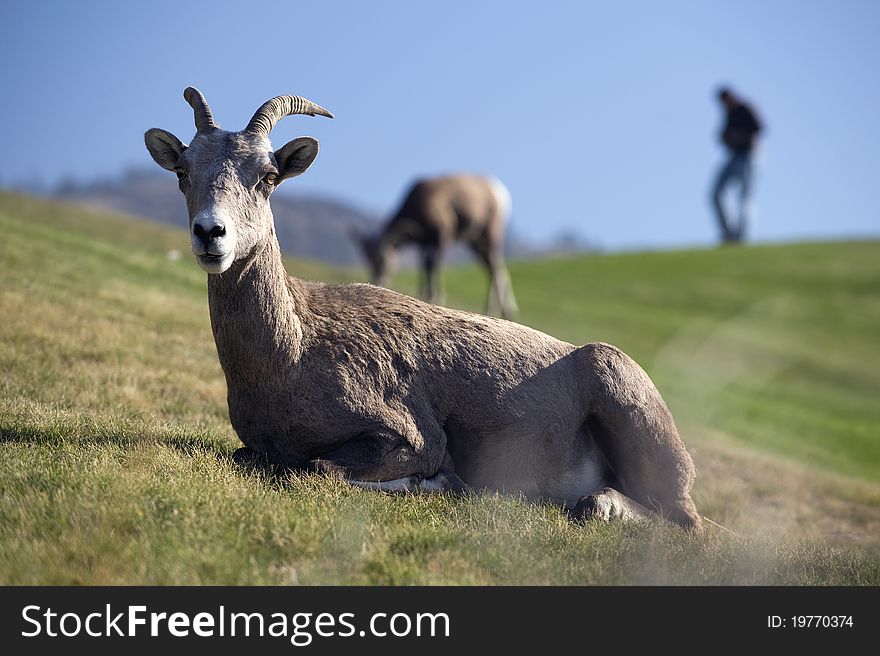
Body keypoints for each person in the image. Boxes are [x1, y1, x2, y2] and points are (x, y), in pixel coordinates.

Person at [712, 87, 762, 244]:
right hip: (733, 156)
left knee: (744, 196)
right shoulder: (728, 113)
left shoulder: (745, 108)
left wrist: (738, 136)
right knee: (716, 193)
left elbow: (759, 129)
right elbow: (723, 136)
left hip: (749, 156)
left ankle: (743, 237)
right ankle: (729, 234)